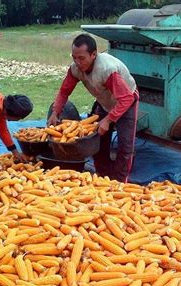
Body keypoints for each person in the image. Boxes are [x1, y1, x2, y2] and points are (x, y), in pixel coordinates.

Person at [47, 34, 138, 183]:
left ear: (94, 54)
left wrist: (108, 120)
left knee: (125, 147)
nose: (77, 62)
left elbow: (126, 98)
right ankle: (102, 177)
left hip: (126, 102)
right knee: (97, 143)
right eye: (74, 57)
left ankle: (121, 183)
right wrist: (55, 112)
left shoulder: (107, 70)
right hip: (104, 101)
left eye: (81, 58)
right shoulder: (75, 69)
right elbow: (64, 91)